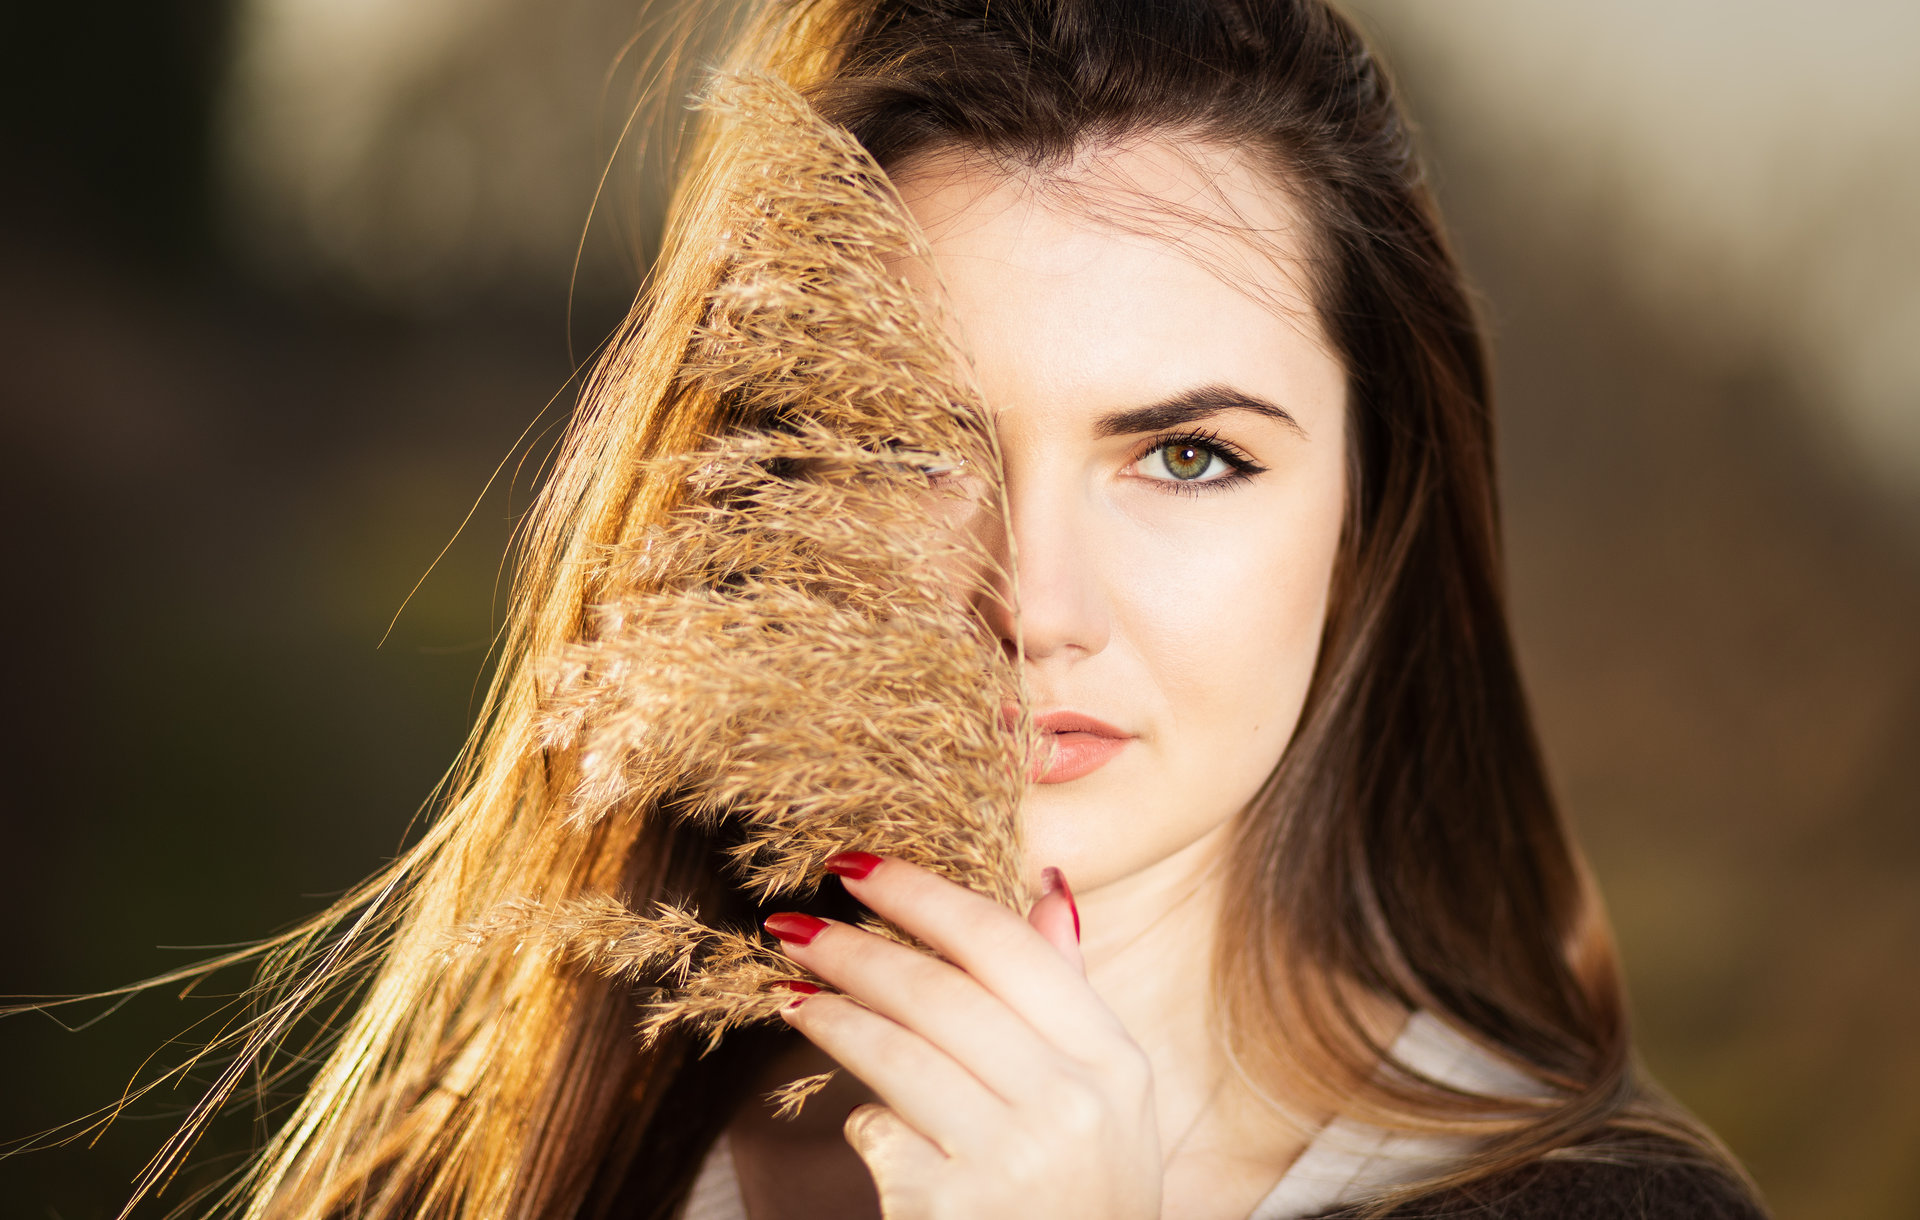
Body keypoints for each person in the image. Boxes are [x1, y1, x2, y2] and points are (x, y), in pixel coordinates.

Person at [113, 2, 1769, 1217]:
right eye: (909, 445)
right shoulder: (471, 1171)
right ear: (756, 487)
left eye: (1188, 456)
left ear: (1367, 514)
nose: (1033, 605)